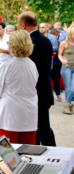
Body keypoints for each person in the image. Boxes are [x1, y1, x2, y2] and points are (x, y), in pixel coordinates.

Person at [0, 30, 38, 144]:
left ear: (12, 45)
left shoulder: (6, 66)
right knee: (28, 153)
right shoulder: (32, 65)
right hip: (29, 114)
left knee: (8, 155)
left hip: (9, 116)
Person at [18, 11, 56, 146]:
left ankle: (49, 156)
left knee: (39, 128)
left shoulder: (30, 43)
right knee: (42, 127)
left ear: (23, 25)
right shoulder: (45, 40)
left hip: (34, 92)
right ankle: (49, 154)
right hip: (44, 89)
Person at [58, 27, 74, 114]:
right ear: (70, 34)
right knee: (68, 88)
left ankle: (67, 104)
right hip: (66, 68)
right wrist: (62, 60)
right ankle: (68, 106)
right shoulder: (64, 43)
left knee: (73, 88)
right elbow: (59, 55)